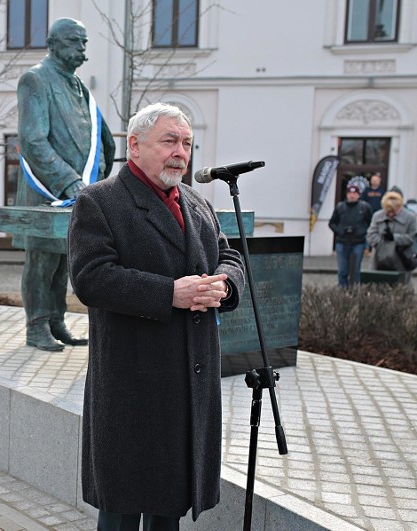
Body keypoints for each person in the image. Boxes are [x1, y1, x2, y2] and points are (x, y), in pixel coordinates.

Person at [68, 102, 245, 529]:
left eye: (186, 142)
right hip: (132, 387)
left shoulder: (196, 202)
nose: (180, 152)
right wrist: (169, 293)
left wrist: (223, 283)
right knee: (123, 508)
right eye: (169, 141)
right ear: (134, 145)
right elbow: (91, 278)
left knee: (170, 506)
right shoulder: (100, 201)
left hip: (189, 384)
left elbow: (229, 255)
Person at [15, 17, 116, 351]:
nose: (82, 48)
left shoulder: (79, 87)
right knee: (42, 261)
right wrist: (69, 179)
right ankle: (35, 326)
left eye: (84, 42)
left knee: (64, 261)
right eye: (75, 41)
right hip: (47, 192)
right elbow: (32, 140)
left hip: (79, 194)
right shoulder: (36, 80)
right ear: (53, 43)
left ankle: (57, 322)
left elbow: (95, 138)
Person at [366, 191, 417, 284]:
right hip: (380, 259)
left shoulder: (411, 218)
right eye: (388, 211)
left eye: (394, 212)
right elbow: (370, 234)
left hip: (401, 259)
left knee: (401, 288)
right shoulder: (378, 216)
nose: (390, 214)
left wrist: (394, 238)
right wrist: (382, 244)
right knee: (378, 287)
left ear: (400, 207)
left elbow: (412, 238)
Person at [328, 184, 373, 287]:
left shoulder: (365, 207)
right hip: (342, 242)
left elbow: (371, 224)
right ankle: (342, 293)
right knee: (342, 270)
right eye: (350, 193)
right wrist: (340, 231)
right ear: (347, 194)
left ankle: (355, 293)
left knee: (355, 271)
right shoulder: (340, 207)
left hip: (358, 242)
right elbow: (332, 223)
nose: (352, 195)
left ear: (358, 195)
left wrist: (361, 231)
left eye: (354, 193)